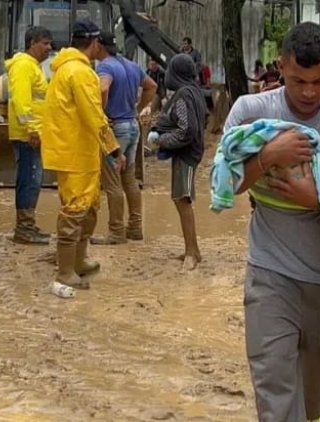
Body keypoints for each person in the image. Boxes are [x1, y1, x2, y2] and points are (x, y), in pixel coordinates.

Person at [223, 22, 320, 421]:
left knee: (313, 391)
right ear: (281, 67)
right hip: (270, 273)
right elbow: (229, 182)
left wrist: (319, 200)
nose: (308, 92)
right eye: (297, 81)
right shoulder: (252, 111)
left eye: (319, 81)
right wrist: (269, 155)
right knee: (275, 390)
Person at [41, 20, 123, 290]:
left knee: (87, 207)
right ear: (95, 43)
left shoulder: (64, 69)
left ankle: (78, 260)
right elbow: (94, 114)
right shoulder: (81, 73)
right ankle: (65, 270)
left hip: (72, 150)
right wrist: (113, 148)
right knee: (76, 210)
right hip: (76, 152)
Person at [91, 32, 157, 245]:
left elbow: (102, 87)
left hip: (115, 127)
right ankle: (135, 227)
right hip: (132, 125)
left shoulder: (105, 66)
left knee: (112, 181)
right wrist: (137, 109)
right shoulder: (131, 65)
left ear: (99, 45)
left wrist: (102, 114)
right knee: (129, 178)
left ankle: (116, 231)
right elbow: (152, 86)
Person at [146, 54, 207, 271]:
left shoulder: (183, 95)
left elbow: (186, 129)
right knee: (180, 199)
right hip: (189, 151)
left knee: (183, 199)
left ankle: (192, 252)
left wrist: (161, 141)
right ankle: (192, 249)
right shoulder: (194, 91)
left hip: (187, 153)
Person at [5, 26, 53, 245]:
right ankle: (24, 228)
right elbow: (21, 101)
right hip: (28, 135)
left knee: (33, 179)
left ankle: (28, 225)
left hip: (33, 133)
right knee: (29, 179)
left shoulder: (32, 67)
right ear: (32, 43)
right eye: (45, 43)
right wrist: (32, 128)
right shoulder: (24, 66)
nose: (49, 48)